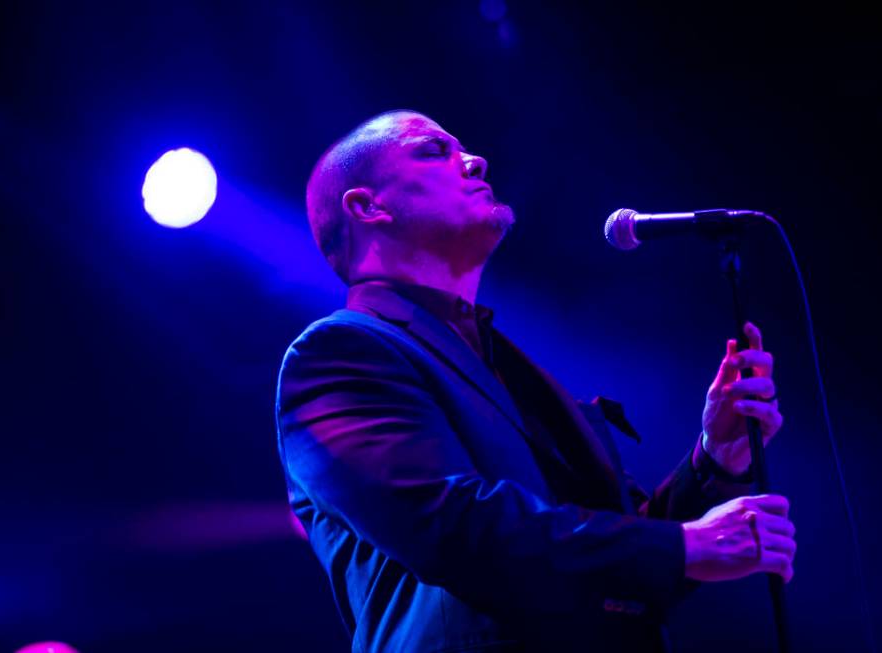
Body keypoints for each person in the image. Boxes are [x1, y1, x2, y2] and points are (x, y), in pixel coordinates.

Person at [275, 110, 795, 652]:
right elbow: (449, 526)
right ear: (367, 206)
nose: (475, 160)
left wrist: (714, 460)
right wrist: (682, 547)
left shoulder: (507, 365)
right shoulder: (340, 352)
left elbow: (614, 541)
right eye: (434, 150)